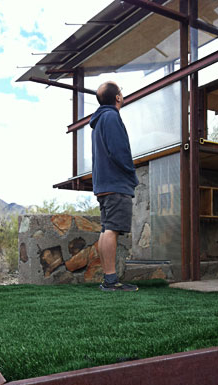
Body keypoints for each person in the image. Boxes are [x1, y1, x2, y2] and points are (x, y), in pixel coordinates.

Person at [90, 81, 139, 292]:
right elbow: (118, 151)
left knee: (106, 229)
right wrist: (130, 173)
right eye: (121, 92)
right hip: (116, 183)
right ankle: (110, 281)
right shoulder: (111, 117)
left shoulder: (100, 120)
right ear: (117, 97)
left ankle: (109, 279)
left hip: (104, 184)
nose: (122, 95)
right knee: (111, 230)